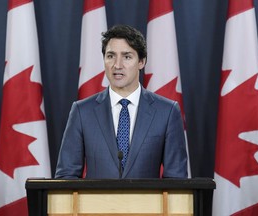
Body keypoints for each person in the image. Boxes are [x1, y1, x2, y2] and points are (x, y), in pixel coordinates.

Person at [55, 24, 187, 179]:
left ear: (141, 62)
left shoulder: (167, 112)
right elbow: (66, 177)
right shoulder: (81, 112)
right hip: (97, 203)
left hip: (146, 204)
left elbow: (177, 181)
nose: (117, 65)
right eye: (111, 56)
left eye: (127, 57)